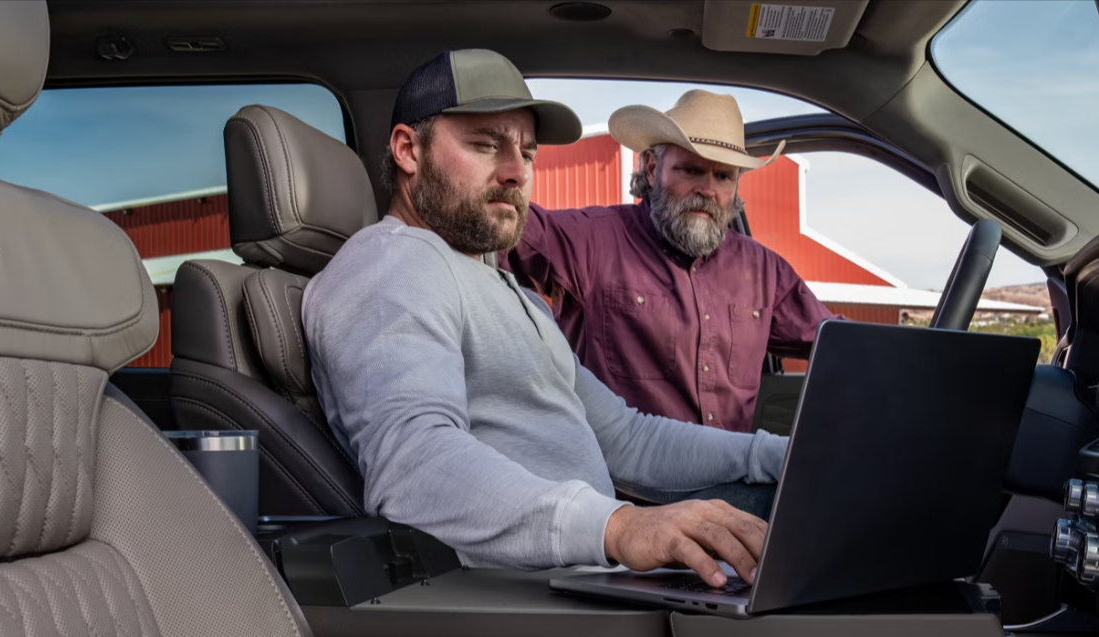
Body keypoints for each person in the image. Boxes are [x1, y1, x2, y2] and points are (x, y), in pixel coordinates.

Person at [304, 49, 786, 588]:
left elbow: (627, 439)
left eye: (527, 153)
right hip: (526, 600)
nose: (516, 173)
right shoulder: (391, 263)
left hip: (592, 579)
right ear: (408, 151)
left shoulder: (513, 293)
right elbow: (414, 467)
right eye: (486, 145)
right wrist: (619, 526)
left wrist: (777, 454)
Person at [503, 89, 838, 434]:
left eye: (723, 177)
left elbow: (841, 346)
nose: (707, 190)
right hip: (621, 485)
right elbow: (501, 228)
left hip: (732, 481)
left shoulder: (765, 272)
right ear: (651, 168)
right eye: (691, 170)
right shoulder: (594, 241)